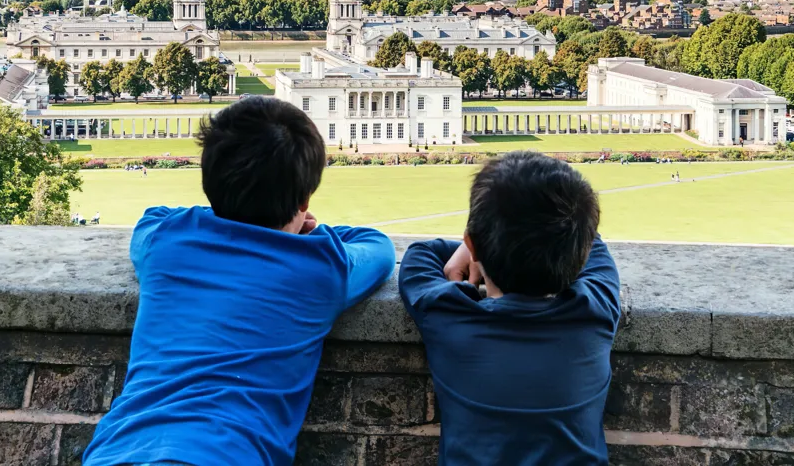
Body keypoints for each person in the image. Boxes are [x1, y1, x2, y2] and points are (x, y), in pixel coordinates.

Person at [83, 96, 396, 466]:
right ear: (304, 200)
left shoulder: (167, 242)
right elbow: (378, 248)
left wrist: (222, 213)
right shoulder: (319, 267)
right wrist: (309, 233)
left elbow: (153, 219)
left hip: (121, 449)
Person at [399, 152, 620, 465]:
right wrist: (478, 246)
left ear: (473, 245)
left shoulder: (449, 316)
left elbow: (419, 257)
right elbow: (590, 243)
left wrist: (476, 249)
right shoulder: (595, 312)